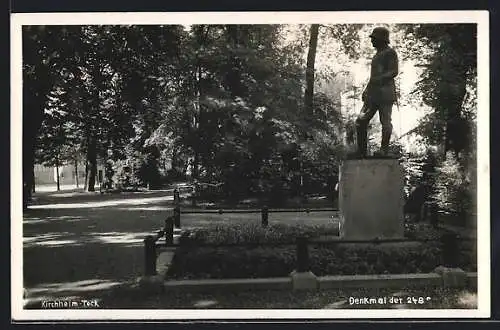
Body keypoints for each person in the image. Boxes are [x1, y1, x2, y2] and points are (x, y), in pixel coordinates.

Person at [355, 27, 399, 157]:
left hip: (385, 93)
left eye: (374, 38)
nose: (372, 41)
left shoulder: (390, 52)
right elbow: (373, 76)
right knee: (360, 121)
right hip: (373, 94)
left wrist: (378, 80)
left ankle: (384, 150)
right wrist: (367, 89)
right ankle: (361, 152)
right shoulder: (376, 55)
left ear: (381, 39)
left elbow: (393, 71)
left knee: (385, 121)